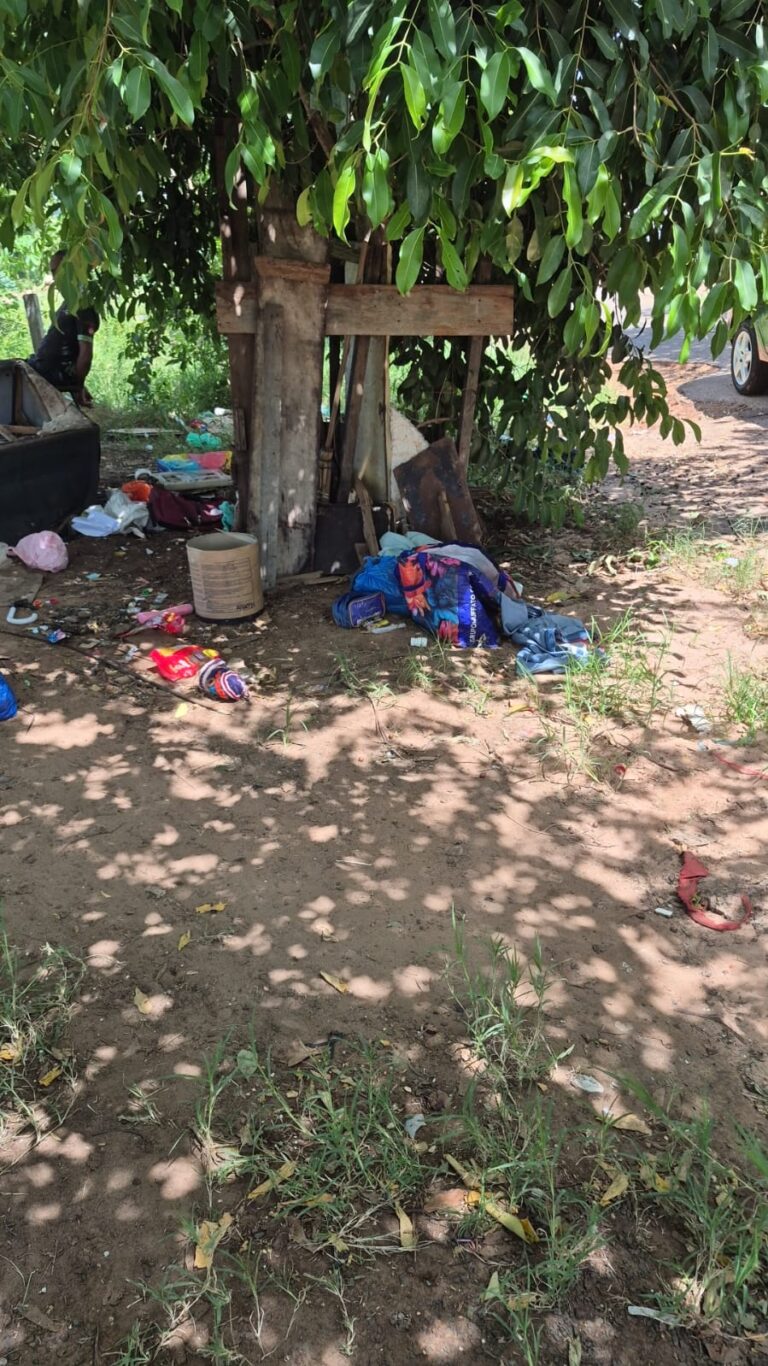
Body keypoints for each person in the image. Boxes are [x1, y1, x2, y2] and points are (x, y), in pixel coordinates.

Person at [28, 251, 99, 407]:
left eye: (58, 271)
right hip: (41, 368)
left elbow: (85, 355)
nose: (55, 278)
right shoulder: (69, 303)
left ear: (73, 269)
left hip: (51, 373)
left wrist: (77, 386)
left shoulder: (83, 305)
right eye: (53, 272)